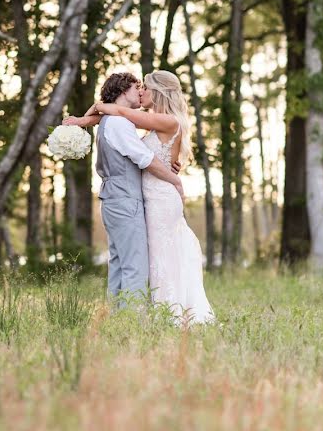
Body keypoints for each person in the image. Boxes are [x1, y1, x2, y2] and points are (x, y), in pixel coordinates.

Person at [64, 70, 215, 324]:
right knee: (150, 257)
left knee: (157, 256)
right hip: (146, 198)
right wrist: (85, 119)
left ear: (157, 92)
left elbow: (121, 115)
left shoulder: (168, 121)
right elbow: (118, 117)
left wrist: (92, 111)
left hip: (161, 197)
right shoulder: (150, 120)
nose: (142, 91)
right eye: (139, 87)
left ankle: (169, 313)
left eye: (145, 87)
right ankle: (152, 314)